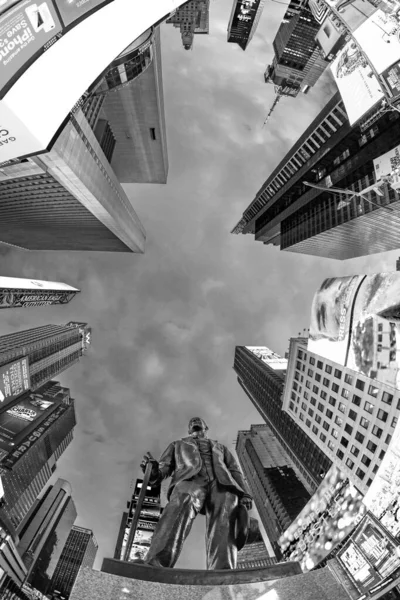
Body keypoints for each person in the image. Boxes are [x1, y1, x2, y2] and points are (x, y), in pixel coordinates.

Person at [140, 417, 253, 570]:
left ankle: (223, 569)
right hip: (190, 480)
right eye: (191, 422)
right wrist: (154, 472)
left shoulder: (220, 447)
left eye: (198, 420)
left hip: (221, 482)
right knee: (180, 503)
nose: (194, 422)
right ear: (188, 430)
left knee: (225, 517)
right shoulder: (177, 445)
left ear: (206, 428)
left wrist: (245, 493)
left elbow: (234, 470)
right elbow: (164, 469)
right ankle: (156, 562)